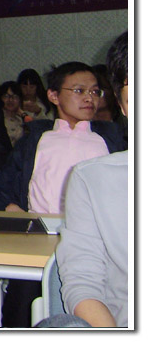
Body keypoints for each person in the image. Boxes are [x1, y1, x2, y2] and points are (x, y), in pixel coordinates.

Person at [0, 61, 125, 327]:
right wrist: (10, 207)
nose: (89, 98)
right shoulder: (34, 140)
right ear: (53, 95)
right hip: (37, 238)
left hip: (97, 244)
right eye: (79, 90)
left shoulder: (112, 140)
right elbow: (2, 189)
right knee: (22, 304)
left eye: (95, 92)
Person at [50, 32, 128, 327]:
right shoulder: (91, 177)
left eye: (93, 92)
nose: (88, 98)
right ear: (123, 105)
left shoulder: (104, 139)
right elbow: (83, 281)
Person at [0, 81, 31, 147]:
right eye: (6, 96)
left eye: (15, 97)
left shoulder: (23, 117)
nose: (10, 100)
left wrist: (23, 115)